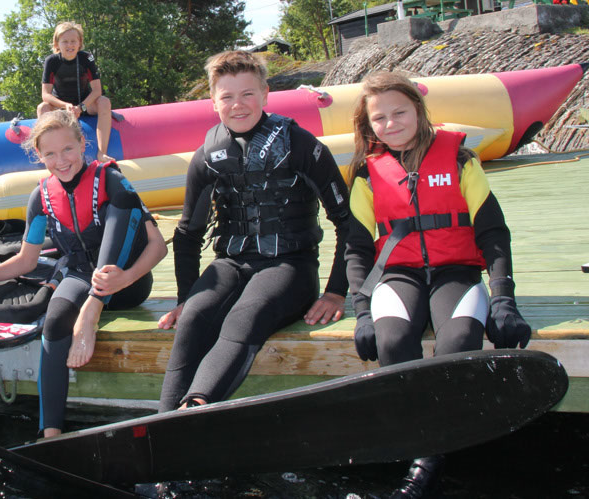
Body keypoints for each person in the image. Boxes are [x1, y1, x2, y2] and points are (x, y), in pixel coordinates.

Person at [345, 70, 531, 498]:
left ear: (418, 110)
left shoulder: (461, 159)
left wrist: (503, 300)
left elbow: (493, 233)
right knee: (393, 343)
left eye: (399, 112)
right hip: (399, 275)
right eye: (379, 118)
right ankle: (424, 451)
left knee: (460, 341)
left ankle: (425, 463)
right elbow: (357, 250)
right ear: (368, 124)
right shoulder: (366, 173)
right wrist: (362, 313)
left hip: (456, 272)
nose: (390, 123)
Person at [0, 110, 167, 437]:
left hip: (127, 281)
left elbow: (158, 247)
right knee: (53, 323)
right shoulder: (40, 197)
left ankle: (92, 310)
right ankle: (50, 434)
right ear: (39, 156)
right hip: (82, 275)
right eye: (50, 153)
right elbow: (27, 260)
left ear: (82, 144)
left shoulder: (111, 180)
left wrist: (124, 278)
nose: (61, 160)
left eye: (68, 149)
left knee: (117, 197)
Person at [157, 50, 351, 411]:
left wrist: (336, 291)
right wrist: (185, 297)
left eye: (247, 94)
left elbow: (348, 222)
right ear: (214, 101)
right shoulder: (206, 156)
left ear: (265, 94)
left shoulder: (301, 145)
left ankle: (194, 408)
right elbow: (188, 234)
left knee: (244, 316)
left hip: (290, 266)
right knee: (195, 317)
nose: (238, 105)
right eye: (227, 96)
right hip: (231, 265)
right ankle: (161, 423)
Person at [38, 22, 113, 162]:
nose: (70, 45)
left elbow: (97, 90)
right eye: (65, 41)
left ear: (80, 43)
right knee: (42, 107)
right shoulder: (51, 61)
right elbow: (45, 95)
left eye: (73, 41)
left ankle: (102, 152)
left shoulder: (87, 58)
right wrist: (65, 106)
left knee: (104, 102)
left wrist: (81, 107)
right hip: (61, 107)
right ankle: (47, 155)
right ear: (57, 44)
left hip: (85, 104)